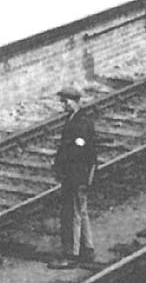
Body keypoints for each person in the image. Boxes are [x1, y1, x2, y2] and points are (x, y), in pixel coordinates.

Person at [48, 86, 97, 269]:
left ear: (75, 101)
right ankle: (88, 249)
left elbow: (77, 151)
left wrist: (60, 164)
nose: (63, 105)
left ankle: (71, 255)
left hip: (76, 175)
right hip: (77, 174)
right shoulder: (76, 119)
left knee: (72, 214)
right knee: (81, 211)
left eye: (65, 102)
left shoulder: (80, 123)